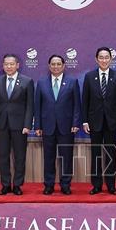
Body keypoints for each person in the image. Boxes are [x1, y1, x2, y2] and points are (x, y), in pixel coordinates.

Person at [82, 47, 116, 195]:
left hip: (112, 122)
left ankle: (111, 185)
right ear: (96, 59)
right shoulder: (89, 77)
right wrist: (85, 121)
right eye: (101, 57)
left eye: (107, 57)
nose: (104, 60)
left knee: (110, 154)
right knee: (96, 154)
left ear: (111, 59)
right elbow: (85, 101)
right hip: (94, 122)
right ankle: (96, 185)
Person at [34, 55, 81, 195]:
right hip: (47, 127)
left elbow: (76, 105)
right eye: (53, 64)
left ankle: (65, 184)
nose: (55, 66)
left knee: (66, 157)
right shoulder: (41, 83)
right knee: (48, 158)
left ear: (63, 65)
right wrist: (38, 126)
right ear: (49, 66)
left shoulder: (72, 82)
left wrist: (75, 123)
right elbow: (38, 106)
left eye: (58, 64)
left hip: (66, 127)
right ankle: (49, 185)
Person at [0, 54, 34, 196]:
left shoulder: (27, 81)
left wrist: (27, 124)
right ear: (2, 66)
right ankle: (5, 185)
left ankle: (17, 185)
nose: (8, 67)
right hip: (2, 125)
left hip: (20, 126)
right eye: (6, 64)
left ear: (17, 65)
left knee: (20, 157)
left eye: (11, 64)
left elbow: (30, 106)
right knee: (3, 156)